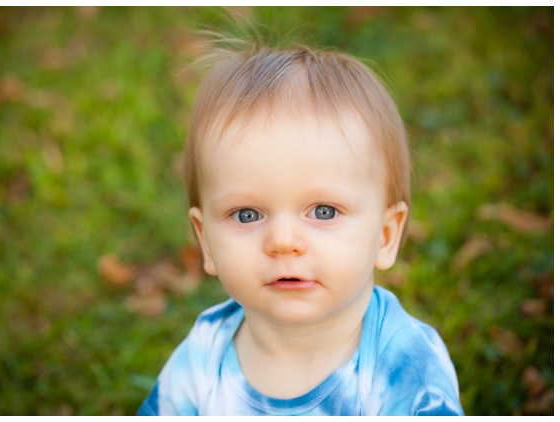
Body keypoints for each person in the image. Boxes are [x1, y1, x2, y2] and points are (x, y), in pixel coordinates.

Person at [137, 39, 463, 415]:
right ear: (206, 242)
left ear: (386, 237)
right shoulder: (204, 353)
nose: (283, 241)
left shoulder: (407, 372)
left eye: (323, 211)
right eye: (247, 214)